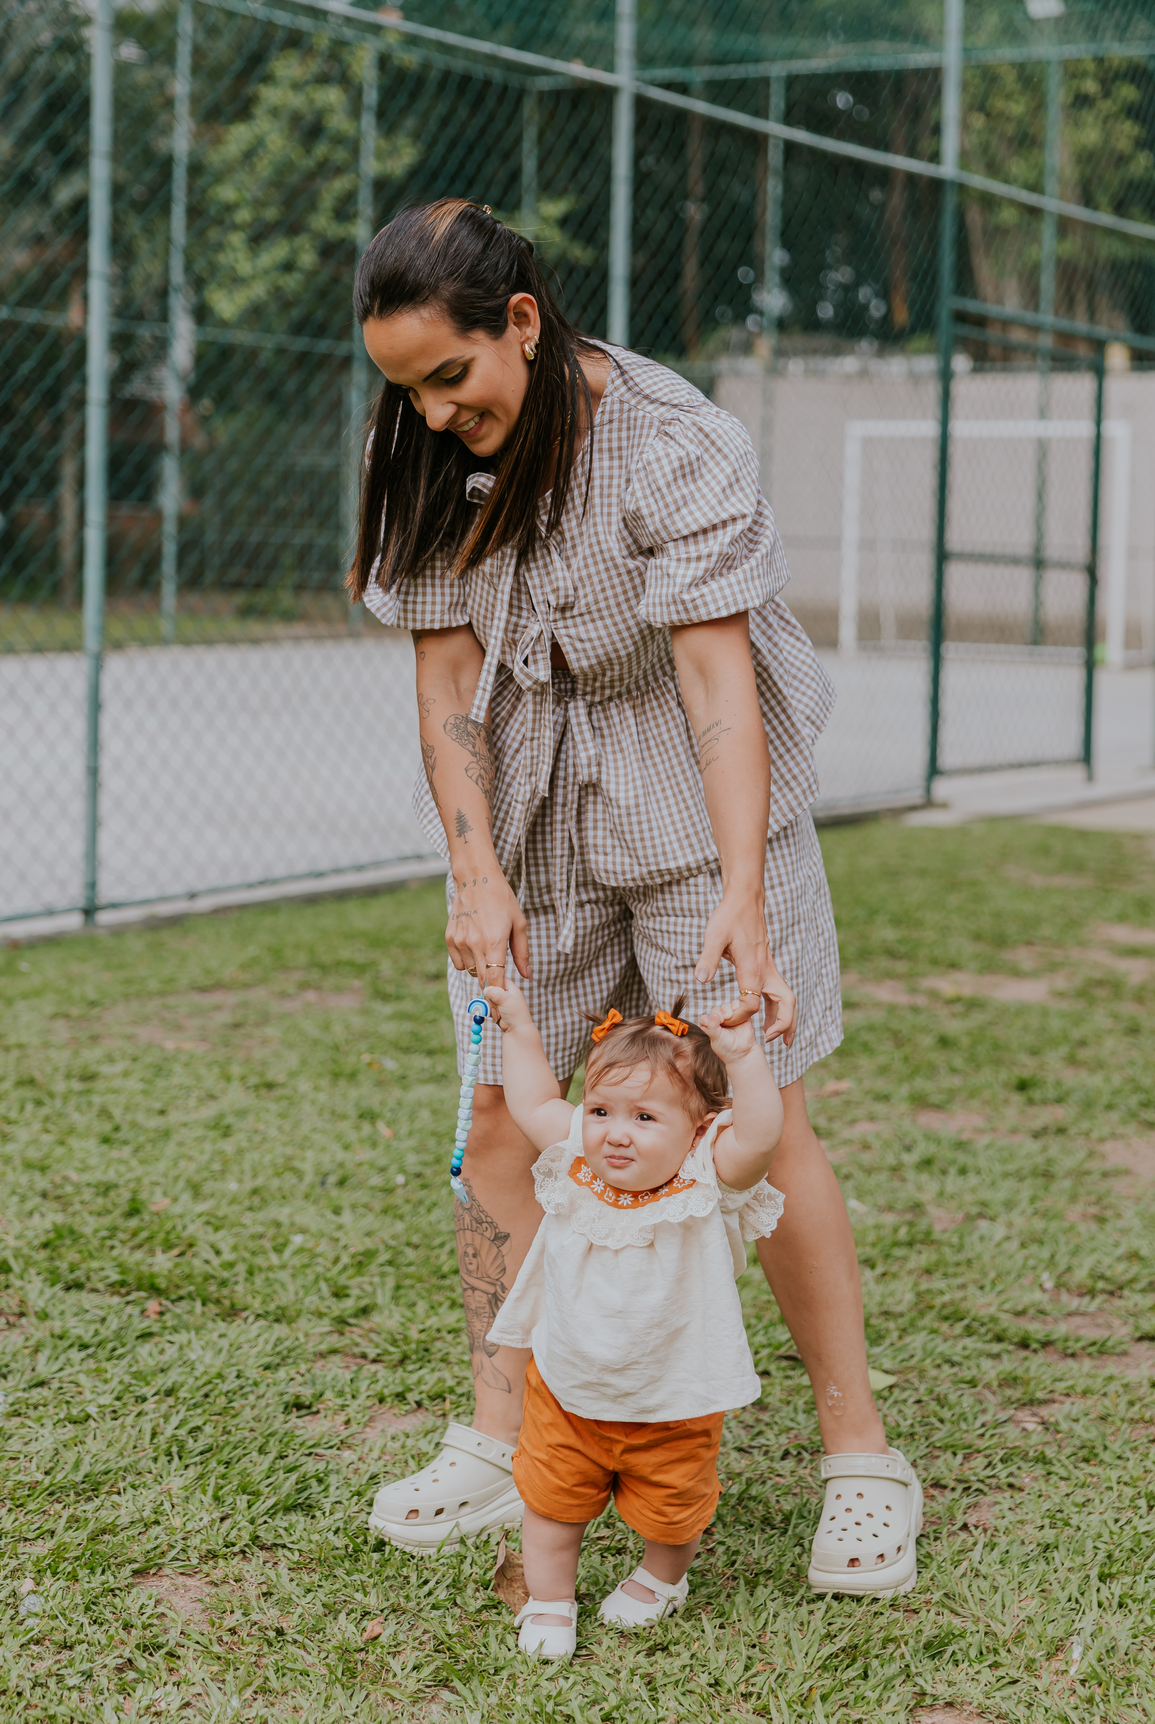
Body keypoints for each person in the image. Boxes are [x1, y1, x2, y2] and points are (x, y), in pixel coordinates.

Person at [351, 197, 923, 1596]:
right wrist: (475, 878)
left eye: (451, 377)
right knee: (499, 1103)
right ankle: (503, 1437)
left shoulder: (674, 440)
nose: (430, 415)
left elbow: (719, 682)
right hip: (532, 794)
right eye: (403, 387)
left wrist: (744, 891)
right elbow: (444, 691)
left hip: (691, 781)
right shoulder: (425, 450)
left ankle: (863, 1461)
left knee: (751, 1108)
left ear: (524, 326)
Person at [484, 983, 787, 1658]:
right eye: (600, 1109)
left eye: (646, 1118)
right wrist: (519, 1028)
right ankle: (550, 1599)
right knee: (551, 1503)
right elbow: (534, 1101)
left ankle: (660, 1578)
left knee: (673, 1510)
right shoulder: (576, 1160)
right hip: (567, 1387)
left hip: (676, 1396)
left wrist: (742, 1056)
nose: (615, 1132)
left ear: (702, 1127)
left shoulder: (709, 1175)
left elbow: (763, 1134)